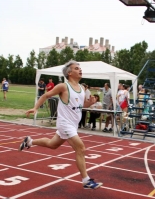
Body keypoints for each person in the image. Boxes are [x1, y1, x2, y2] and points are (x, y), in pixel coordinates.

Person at [19, 60, 102, 190]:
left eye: (80, 68)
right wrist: (35, 108)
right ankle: (86, 180)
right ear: (69, 73)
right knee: (81, 148)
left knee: (53, 145)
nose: (80, 70)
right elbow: (46, 95)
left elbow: (81, 106)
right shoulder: (63, 86)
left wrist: (89, 104)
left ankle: (30, 141)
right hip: (65, 123)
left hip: (73, 124)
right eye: (76, 68)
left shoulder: (82, 88)